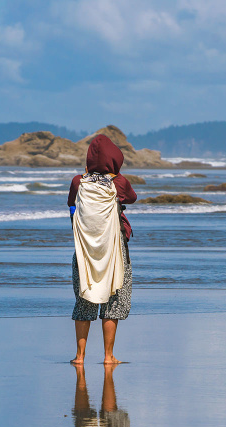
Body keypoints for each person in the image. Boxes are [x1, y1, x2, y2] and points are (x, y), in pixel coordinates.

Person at [67, 134, 137, 364]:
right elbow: (133, 198)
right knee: (113, 301)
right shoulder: (119, 183)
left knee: (85, 298)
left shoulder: (78, 181)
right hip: (114, 250)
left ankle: (79, 357)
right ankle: (108, 356)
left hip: (84, 250)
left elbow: (70, 204)